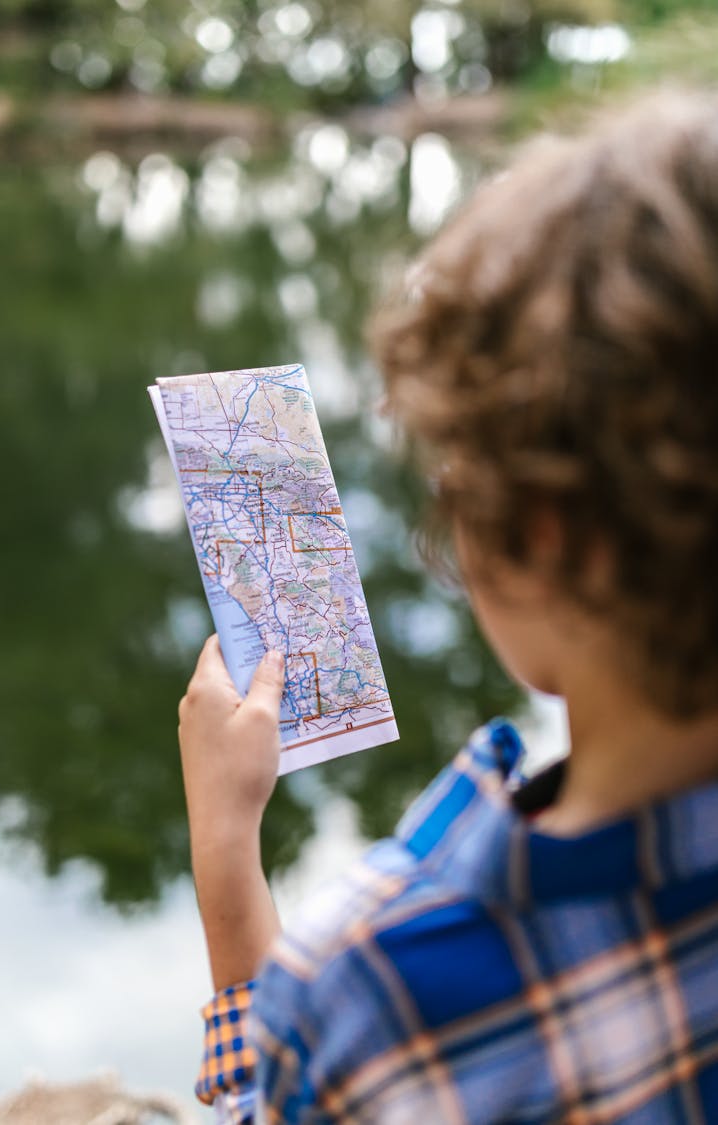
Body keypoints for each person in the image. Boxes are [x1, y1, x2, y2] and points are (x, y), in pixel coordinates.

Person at [177, 90, 718, 1123]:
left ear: (545, 535)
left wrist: (224, 848)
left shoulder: (385, 987)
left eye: (457, 478)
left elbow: (293, 1098)